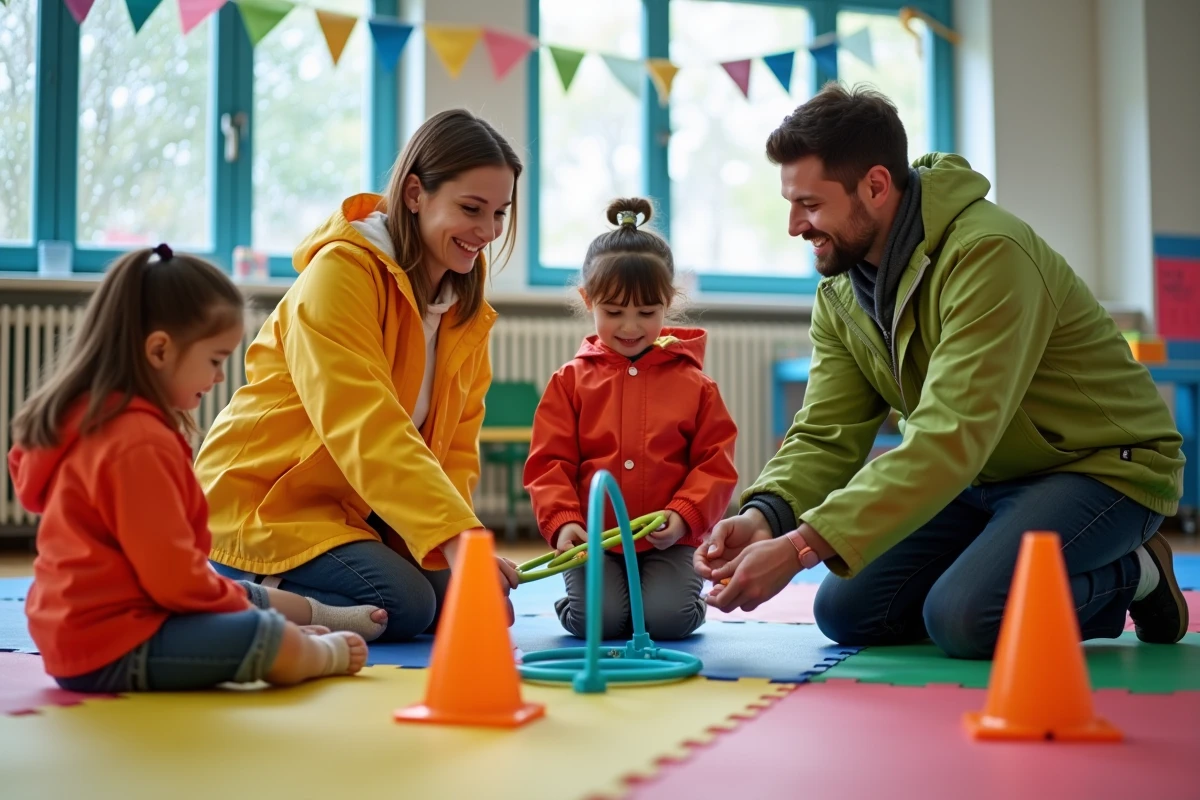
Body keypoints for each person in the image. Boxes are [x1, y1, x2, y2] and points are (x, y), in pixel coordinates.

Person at [698, 83, 1189, 659]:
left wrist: (800, 546)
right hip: (980, 478)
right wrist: (765, 516)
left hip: (1099, 468)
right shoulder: (839, 292)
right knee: (846, 611)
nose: (794, 225)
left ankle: (1140, 572)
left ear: (876, 186)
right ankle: (992, 568)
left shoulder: (988, 253)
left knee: (966, 617)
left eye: (809, 204)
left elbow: (949, 436)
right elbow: (828, 432)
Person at [194, 109, 523, 640]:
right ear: (415, 194)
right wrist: (457, 541)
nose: (487, 232)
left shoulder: (463, 305)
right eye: (471, 209)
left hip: (349, 513)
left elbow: (454, 446)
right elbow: (364, 422)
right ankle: (228, 581)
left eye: (500, 213)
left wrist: (463, 540)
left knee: (444, 600)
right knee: (410, 605)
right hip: (264, 506)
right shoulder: (341, 273)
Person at [8, 246, 381, 692]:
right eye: (215, 360)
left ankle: (309, 621)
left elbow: (172, 574)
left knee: (231, 591)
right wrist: (265, 627)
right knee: (263, 635)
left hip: (98, 622)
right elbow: (175, 583)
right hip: (114, 644)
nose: (220, 377)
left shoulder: (93, 418)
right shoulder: (135, 443)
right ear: (160, 350)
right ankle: (319, 650)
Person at [524, 198, 739, 640]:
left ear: (668, 303)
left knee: (669, 621)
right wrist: (564, 521)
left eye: (646, 313)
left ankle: (676, 597)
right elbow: (549, 463)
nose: (630, 327)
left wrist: (684, 517)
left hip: (668, 542)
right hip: (594, 541)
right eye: (614, 312)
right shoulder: (569, 382)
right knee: (596, 623)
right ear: (588, 301)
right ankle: (582, 600)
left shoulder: (697, 385)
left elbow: (715, 464)